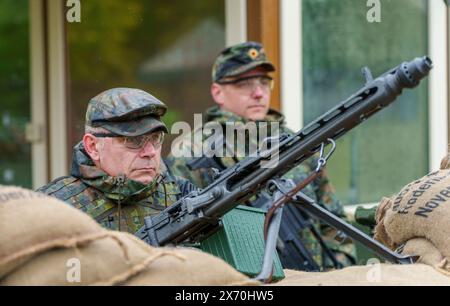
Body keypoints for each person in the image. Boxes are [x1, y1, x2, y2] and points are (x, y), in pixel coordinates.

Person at [165, 42, 355, 269]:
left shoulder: (295, 143)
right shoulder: (190, 152)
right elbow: (183, 236)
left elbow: (332, 220)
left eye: (264, 82)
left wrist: (338, 272)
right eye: (244, 84)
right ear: (218, 92)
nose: (258, 93)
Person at [37, 88, 195, 234]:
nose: (150, 152)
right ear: (93, 146)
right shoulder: (51, 209)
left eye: (156, 138)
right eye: (133, 140)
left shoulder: (182, 194)